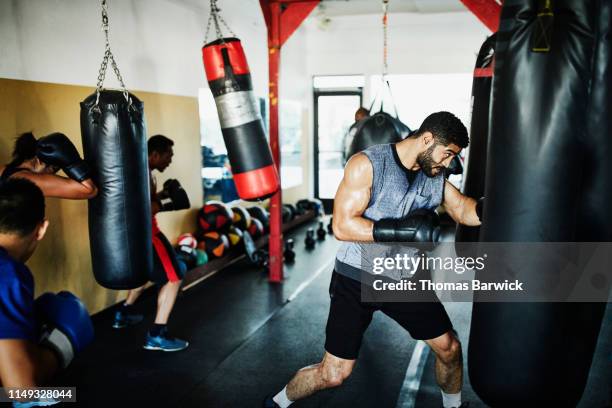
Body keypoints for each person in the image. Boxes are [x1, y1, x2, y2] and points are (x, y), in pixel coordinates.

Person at [265, 112, 481, 408]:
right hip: (357, 276)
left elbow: (460, 208)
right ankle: (277, 402)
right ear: (428, 139)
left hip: (404, 279)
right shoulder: (367, 164)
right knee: (334, 374)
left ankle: (454, 407)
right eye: (447, 154)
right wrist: (399, 231)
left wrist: (492, 207)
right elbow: (341, 225)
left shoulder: (434, 175)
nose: (448, 163)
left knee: (449, 348)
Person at [0, 178, 93, 404]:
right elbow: (20, 390)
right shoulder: (7, 273)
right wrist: (62, 343)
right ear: (41, 229)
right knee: (66, 395)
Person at [112, 134, 190, 352]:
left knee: (143, 273)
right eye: (168, 155)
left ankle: (123, 313)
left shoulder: (139, 171)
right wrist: (171, 202)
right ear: (155, 154)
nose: (170, 160)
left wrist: (164, 194)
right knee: (174, 278)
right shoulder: (144, 175)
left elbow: (143, 200)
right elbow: (145, 209)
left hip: (134, 236)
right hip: (150, 235)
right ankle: (156, 334)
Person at [0, 132, 97, 199]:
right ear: (40, 162)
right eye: (53, 169)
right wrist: (71, 163)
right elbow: (90, 190)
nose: (52, 176)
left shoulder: (3, 170)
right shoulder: (28, 181)